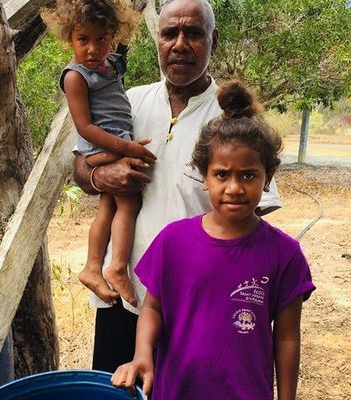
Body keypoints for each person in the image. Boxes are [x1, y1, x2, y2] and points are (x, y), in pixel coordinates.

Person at [73, 0, 282, 372]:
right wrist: (100, 176)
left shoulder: (233, 119)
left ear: (213, 41)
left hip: (198, 304)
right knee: (118, 390)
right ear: (157, 41)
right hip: (122, 295)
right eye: (170, 33)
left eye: (194, 34)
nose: (180, 44)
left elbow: (255, 219)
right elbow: (79, 164)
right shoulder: (128, 100)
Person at [111, 80, 316, 399]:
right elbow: (152, 308)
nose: (234, 187)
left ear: (268, 178)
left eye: (248, 175)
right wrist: (142, 355)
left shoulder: (284, 254)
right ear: (204, 177)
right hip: (176, 390)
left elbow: (287, 338)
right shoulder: (173, 242)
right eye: (222, 174)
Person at [42, 0, 152, 309]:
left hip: (114, 144)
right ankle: (116, 266)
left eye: (101, 39)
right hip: (101, 147)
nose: (92, 48)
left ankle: (93, 268)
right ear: (69, 38)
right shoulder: (75, 76)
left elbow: (127, 39)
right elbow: (86, 127)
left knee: (108, 206)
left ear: (112, 36)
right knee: (129, 202)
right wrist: (126, 148)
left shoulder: (111, 64)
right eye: (83, 40)